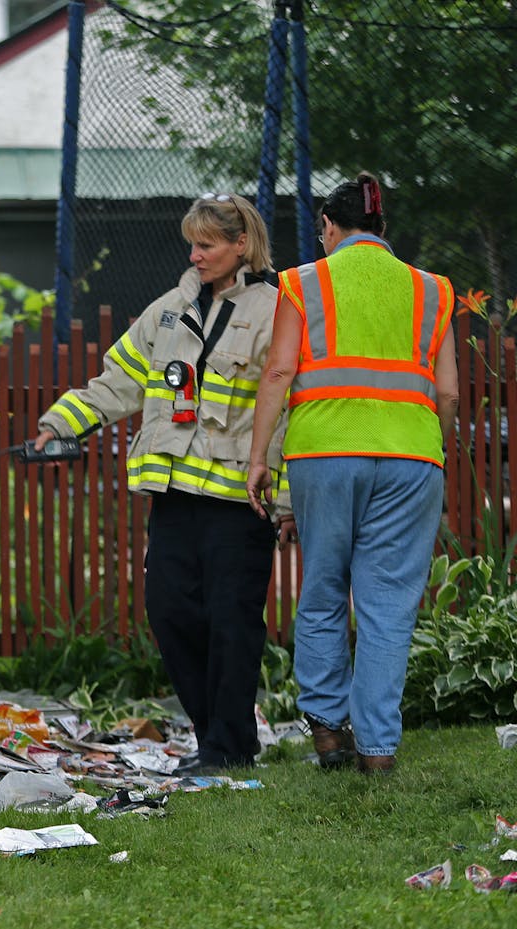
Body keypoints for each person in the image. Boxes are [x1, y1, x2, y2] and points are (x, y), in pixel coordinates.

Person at [35, 193, 295, 776]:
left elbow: (288, 415)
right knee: (171, 614)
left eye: (206, 244)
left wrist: (284, 501)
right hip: (175, 498)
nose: (195, 255)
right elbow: (116, 382)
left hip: (238, 503)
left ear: (241, 247)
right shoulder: (168, 311)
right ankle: (215, 741)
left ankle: (227, 748)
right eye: (193, 244)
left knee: (232, 624)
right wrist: (59, 424)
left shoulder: (277, 312)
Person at [246, 172, 458, 775]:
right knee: (388, 606)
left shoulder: (303, 283)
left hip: (324, 455)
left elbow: (280, 374)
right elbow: (446, 391)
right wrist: (426, 439)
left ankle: (329, 734)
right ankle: (379, 752)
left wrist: (260, 458)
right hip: (413, 458)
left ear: (329, 229)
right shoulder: (432, 290)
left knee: (323, 594)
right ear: (383, 231)